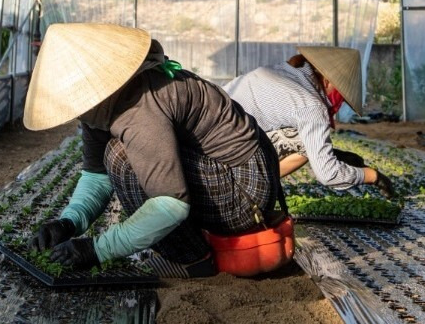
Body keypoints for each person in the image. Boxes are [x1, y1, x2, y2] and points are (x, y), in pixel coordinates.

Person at [23, 23, 288, 278]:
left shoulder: (138, 105)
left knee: (120, 156)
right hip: (221, 176)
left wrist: (97, 249)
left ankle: (190, 259)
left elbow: (170, 204)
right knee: (115, 156)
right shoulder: (99, 104)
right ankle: (191, 245)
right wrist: (69, 223)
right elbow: (96, 176)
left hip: (245, 194)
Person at [223, 46, 394, 197]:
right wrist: (373, 176)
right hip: (221, 156)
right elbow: (328, 174)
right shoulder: (311, 105)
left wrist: (335, 155)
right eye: (340, 93)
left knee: (302, 138)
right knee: (304, 144)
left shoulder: (285, 71)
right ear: (328, 81)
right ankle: (244, 190)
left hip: (208, 137)